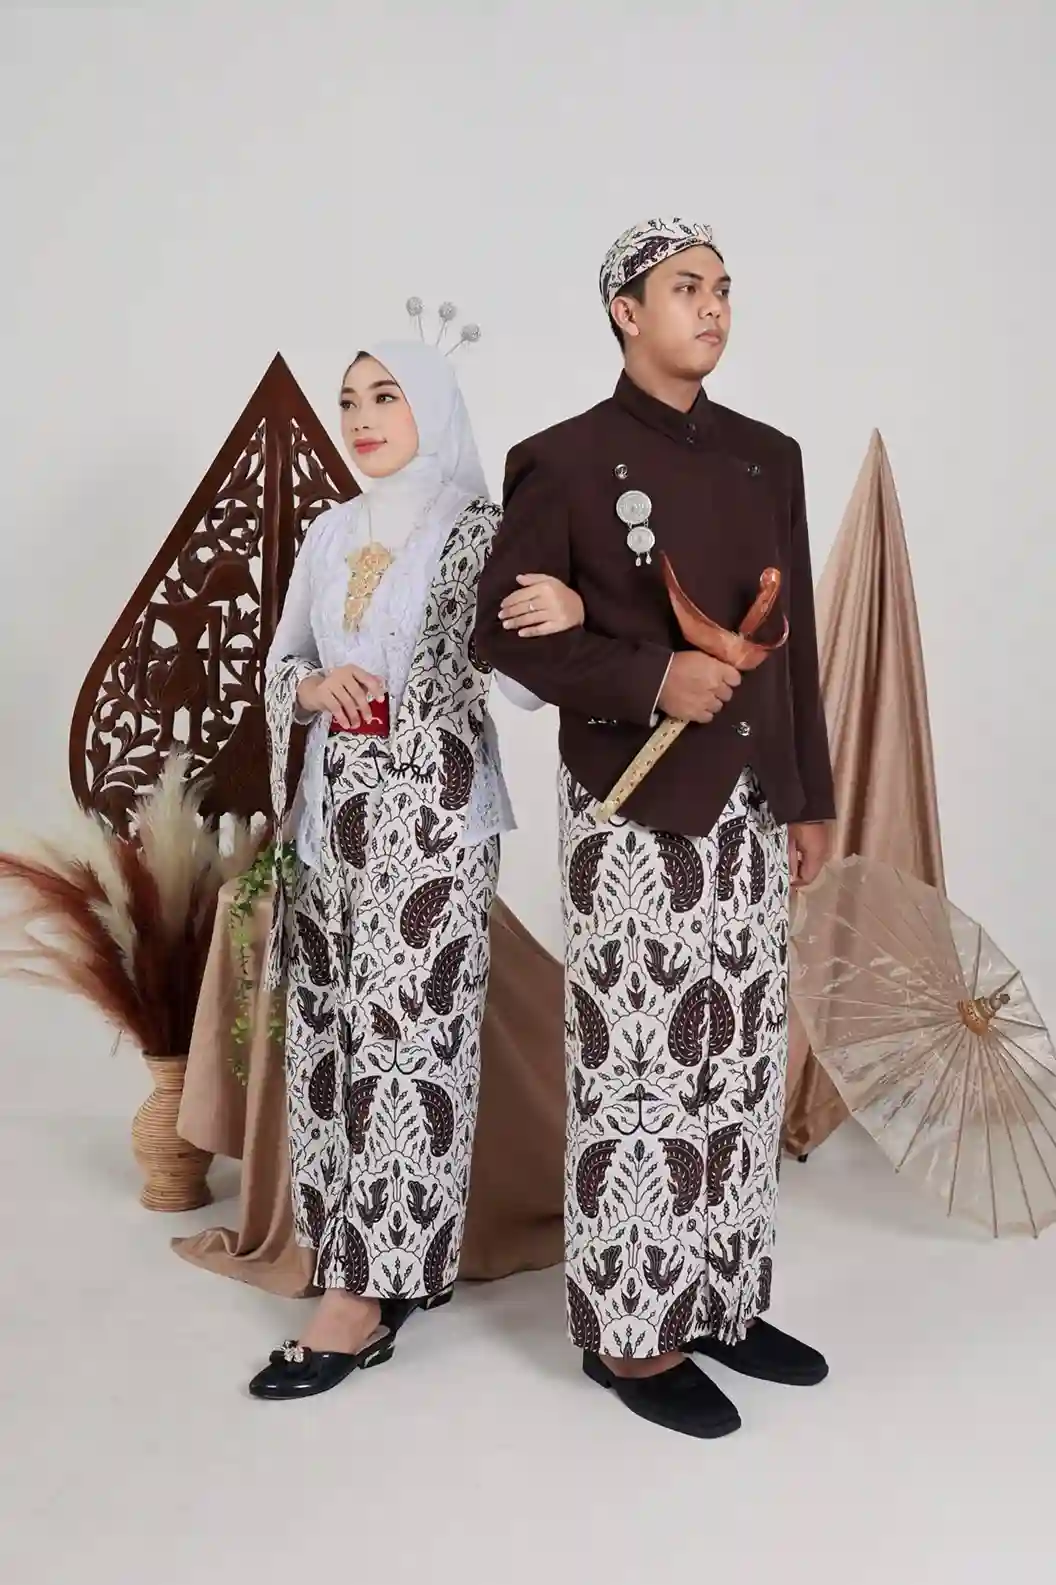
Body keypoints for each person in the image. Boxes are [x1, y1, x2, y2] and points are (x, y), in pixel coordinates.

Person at [475, 218, 836, 1439]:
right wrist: (647, 676)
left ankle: (720, 1298)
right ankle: (632, 1337)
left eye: (724, 287)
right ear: (626, 312)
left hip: (749, 804)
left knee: (737, 1061)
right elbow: (498, 632)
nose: (714, 306)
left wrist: (808, 795)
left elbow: (795, 643)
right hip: (632, 805)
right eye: (687, 288)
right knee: (639, 1074)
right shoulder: (564, 459)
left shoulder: (768, 456)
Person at [250, 334, 583, 1400]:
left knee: (411, 1045)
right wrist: (313, 691)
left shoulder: (479, 530)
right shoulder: (329, 530)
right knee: (331, 1032)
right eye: (349, 399)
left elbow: (524, 683)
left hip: (435, 815)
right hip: (332, 815)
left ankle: (369, 1290)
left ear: (431, 407)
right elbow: (283, 664)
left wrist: (564, 610)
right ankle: (344, 1248)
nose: (360, 418)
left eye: (384, 396)